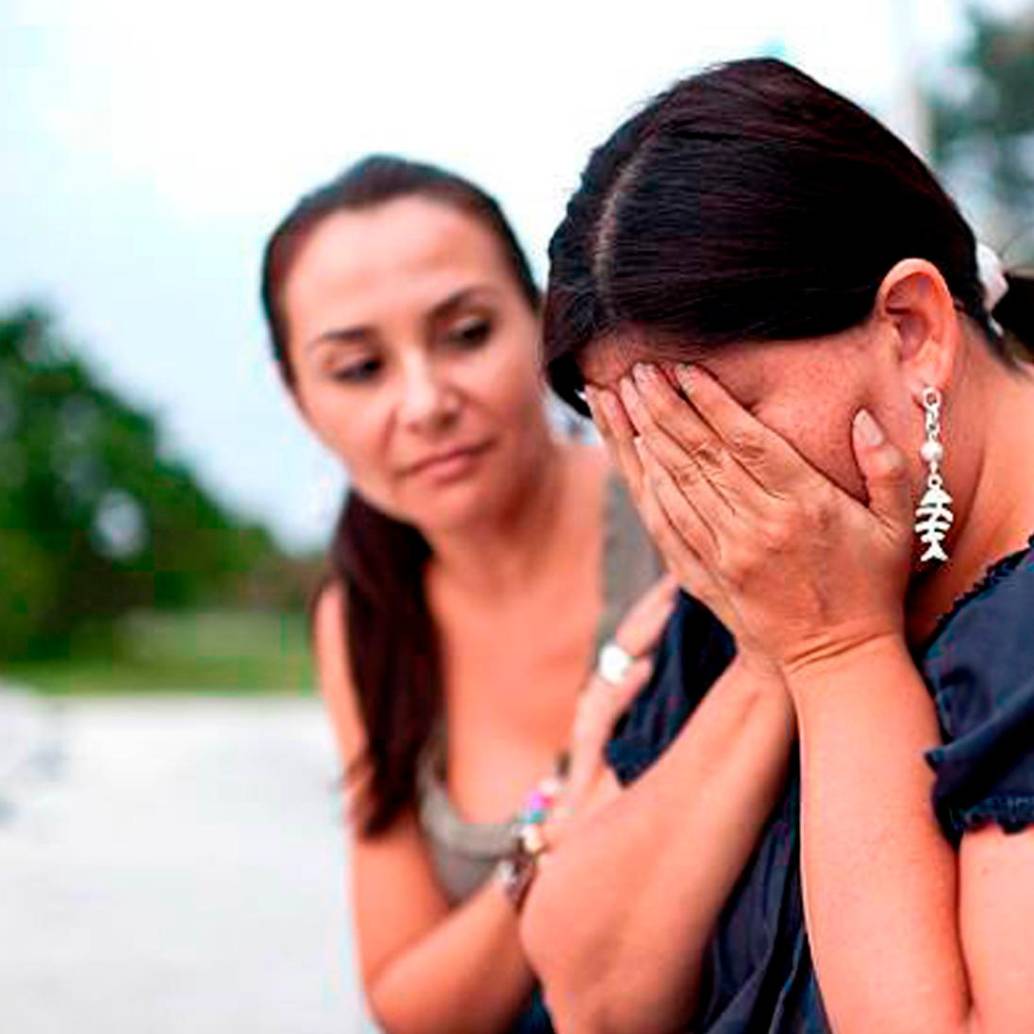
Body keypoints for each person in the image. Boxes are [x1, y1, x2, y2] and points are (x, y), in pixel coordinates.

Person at [520, 58, 1034, 1033]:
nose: (689, 486)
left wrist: (835, 655)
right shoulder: (762, 574)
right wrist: (774, 658)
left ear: (911, 327)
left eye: (719, 418)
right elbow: (592, 992)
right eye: (637, 438)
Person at [259, 155, 670, 1033]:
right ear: (301, 404)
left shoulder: (677, 514)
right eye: (360, 368)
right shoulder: (363, 617)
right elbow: (412, 1002)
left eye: (467, 334)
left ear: (540, 323)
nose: (425, 402)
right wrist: (555, 824)